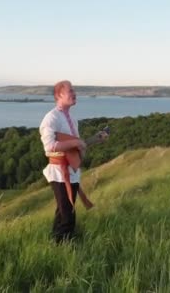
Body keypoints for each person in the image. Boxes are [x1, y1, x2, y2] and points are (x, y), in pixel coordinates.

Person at [39, 80, 107, 243]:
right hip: (59, 172)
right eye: (71, 91)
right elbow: (49, 146)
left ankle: (55, 243)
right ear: (59, 95)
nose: (75, 93)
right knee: (67, 214)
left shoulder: (72, 119)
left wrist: (95, 140)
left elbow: (74, 147)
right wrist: (76, 143)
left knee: (63, 211)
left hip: (72, 170)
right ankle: (64, 247)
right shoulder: (51, 118)